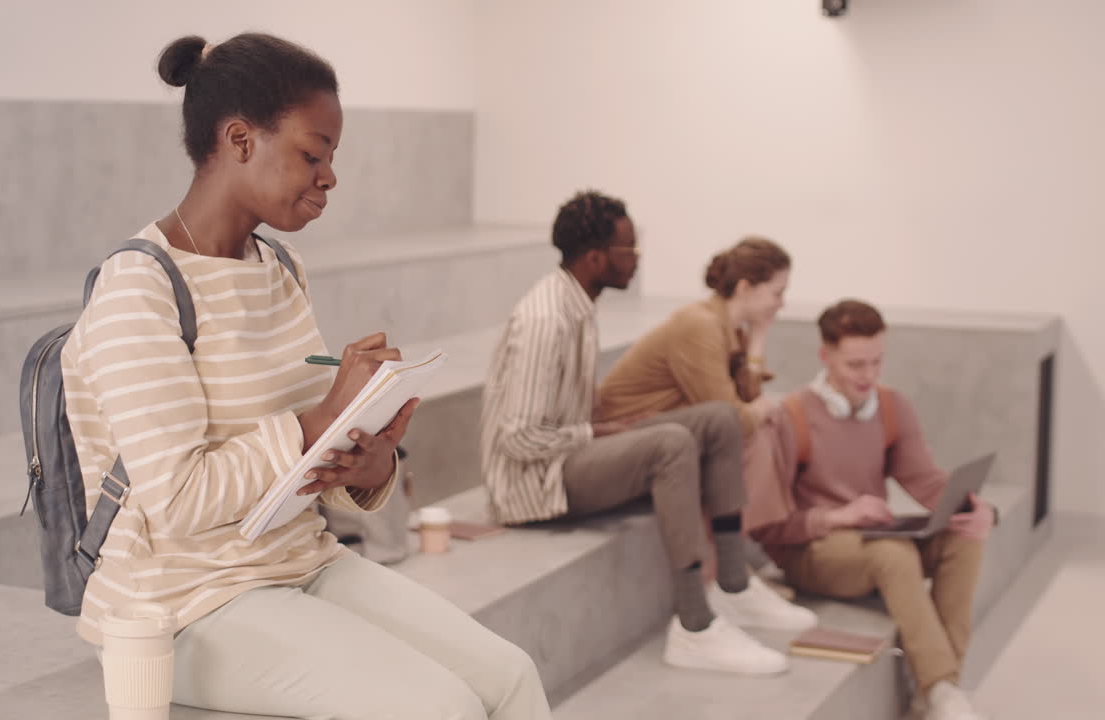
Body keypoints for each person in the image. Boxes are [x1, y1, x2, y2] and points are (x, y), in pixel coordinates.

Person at [61, 33, 550, 719]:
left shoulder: (280, 270)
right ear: (239, 140)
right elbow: (178, 500)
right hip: (182, 605)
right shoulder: (138, 289)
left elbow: (299, 473)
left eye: (332, 158)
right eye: (312, 154)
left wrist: (366, 462)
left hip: (300, 564)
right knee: (440, 707)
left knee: (511, 676)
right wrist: (318, 420)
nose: (329, 176)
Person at [481, 190, 812, 678]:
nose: (637, 260)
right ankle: (695, 628)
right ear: (596, 258)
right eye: (629, 250)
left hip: (568, 453)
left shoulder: (577, 305)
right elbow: (518, 438)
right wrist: (596, 432)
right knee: (671, 443)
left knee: (718, 419)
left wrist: (602, 429)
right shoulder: (546, 317)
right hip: (532, 483)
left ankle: (734, 588)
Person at [747, 300, 996, 720]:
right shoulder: (792, 417)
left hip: (875, 539)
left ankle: (941, 691)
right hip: (813, 551)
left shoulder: (891, 406)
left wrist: (977, 508)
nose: (868, 376)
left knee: (963, 539)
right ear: (825, 356)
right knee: (892, 553)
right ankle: (939, 689)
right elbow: (768, 527)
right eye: (855, 365)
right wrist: (836, 517)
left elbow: (925, 480)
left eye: (876, 362)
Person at [597, 236, 792, 438]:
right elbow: (733, 422)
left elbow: (749, 398)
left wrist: (758, 336)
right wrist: (762, 409)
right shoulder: (700, 326)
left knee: (766, 430)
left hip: (658, 433)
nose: (782, 304)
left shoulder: (732, 331)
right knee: (762, 435)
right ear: (744, 288)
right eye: (777, 293)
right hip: (618, 434)